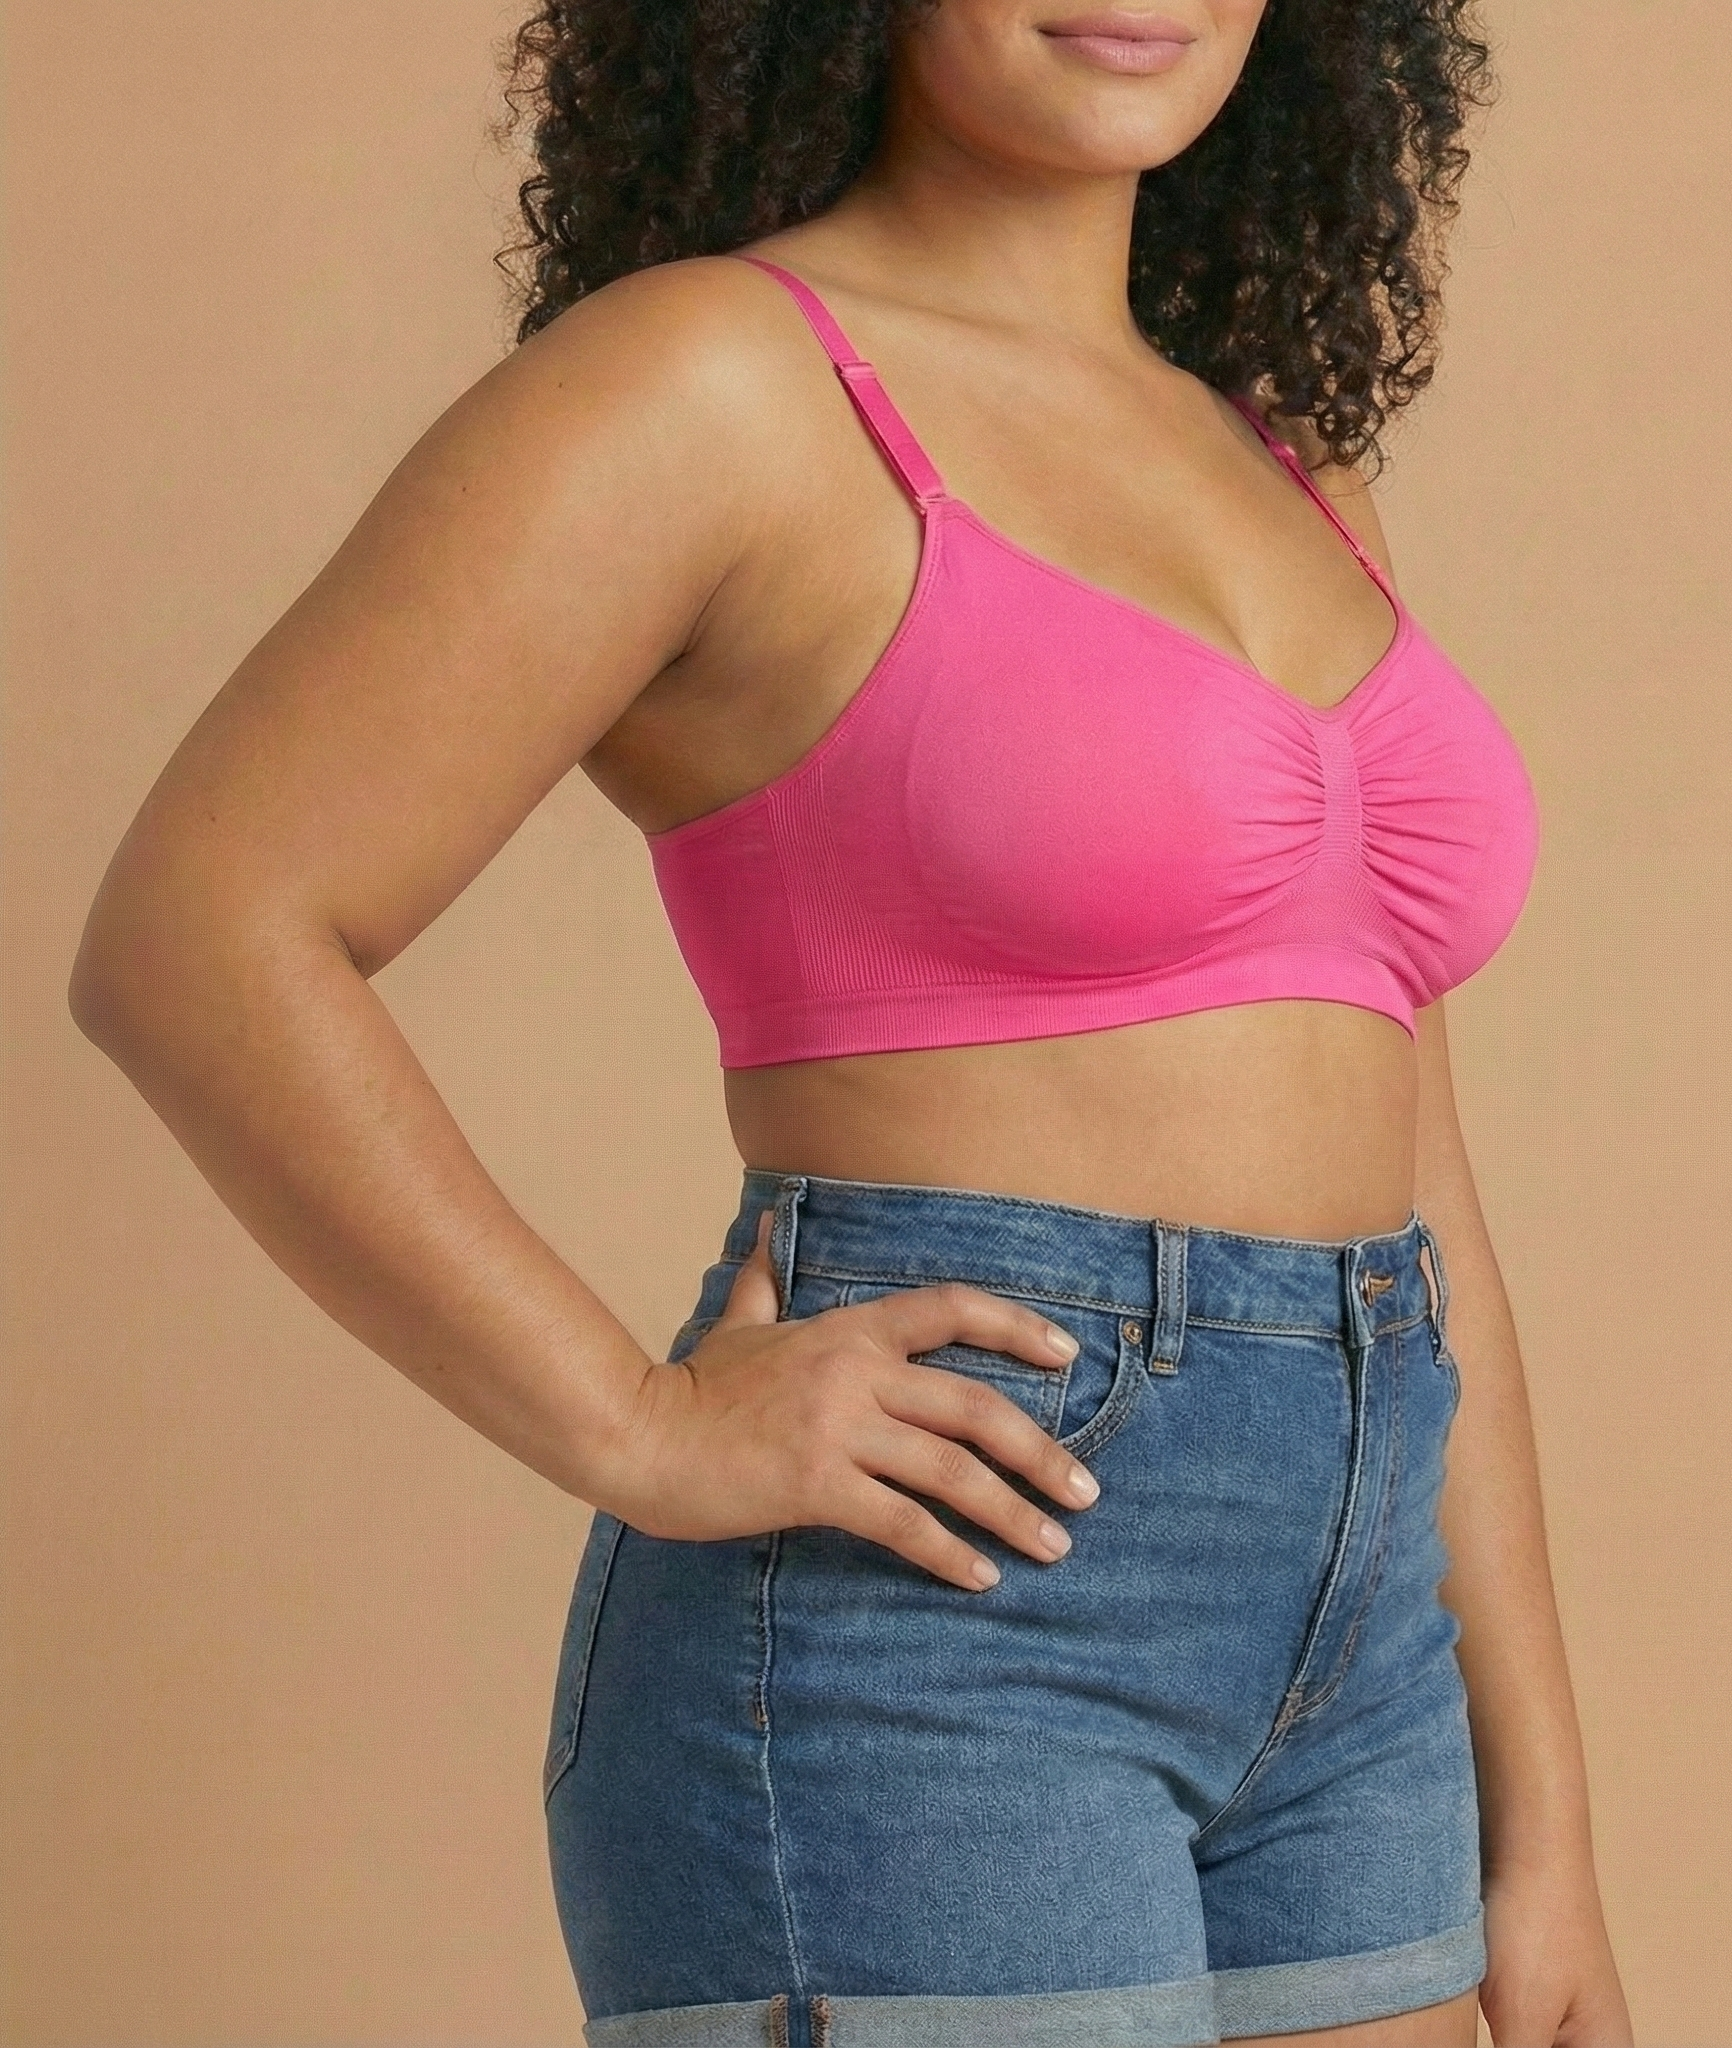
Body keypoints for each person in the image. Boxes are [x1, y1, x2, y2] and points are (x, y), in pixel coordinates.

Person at [69, 2, 1632, 2043]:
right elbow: (198, 928)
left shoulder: (1286, 463)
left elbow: (1416, 1176)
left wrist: (1546, 1825)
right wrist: (635, 1422)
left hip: (1360, 1644)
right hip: (943, 1629)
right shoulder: (713, 382)